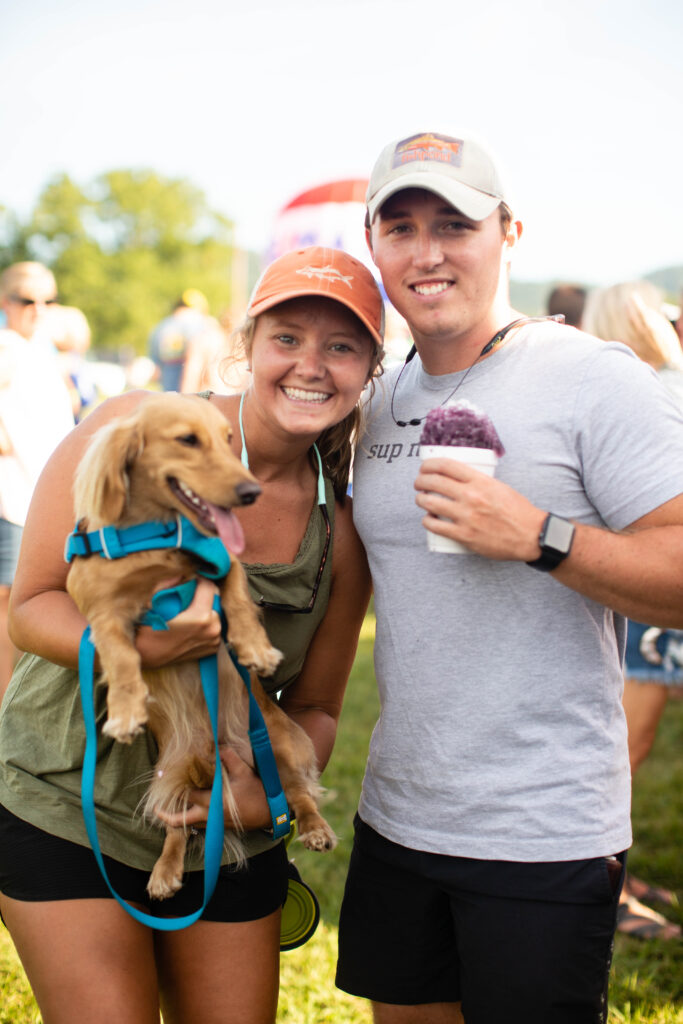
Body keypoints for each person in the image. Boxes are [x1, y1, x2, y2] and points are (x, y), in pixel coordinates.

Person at [334, 131, 683, 1024]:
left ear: (509, 234)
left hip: (541, 832)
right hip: (398, 818)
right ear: (372, 245)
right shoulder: (376, 396)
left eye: (454, 223)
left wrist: (542, 536)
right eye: (400, 226)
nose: (427, 252)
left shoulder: (589, 379)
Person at [0, 246, 384, 1024]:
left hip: (222, 816)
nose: (310, 365)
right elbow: (31, 604)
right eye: (287, 338)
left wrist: (264, 802)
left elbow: (315, 707)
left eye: (340, 346)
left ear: (369, 372)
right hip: (65, 796)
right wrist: (144, 651)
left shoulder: (338, 531)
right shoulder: (130, 430)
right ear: (245, 347)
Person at [583, 280, 683, 941]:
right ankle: (604, 886)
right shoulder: (657, 385)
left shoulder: (620, 386)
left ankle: (615, 878)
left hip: (644, 584)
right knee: (626, 742)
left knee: (627, 743)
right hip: (655, 590)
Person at [0, 262, 74, 700]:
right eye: (29, 300)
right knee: (12, 609)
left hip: (43, 501)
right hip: (13, 499)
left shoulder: (40, 351)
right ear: (7, 304)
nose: (39, 309)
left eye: (48, 300)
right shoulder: (6, 346)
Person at [147, 288, 218, 392]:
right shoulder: (203, 324)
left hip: (167, 397)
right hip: (194, 397)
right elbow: (199, 367)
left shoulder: (159, 329)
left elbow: (156, 371)